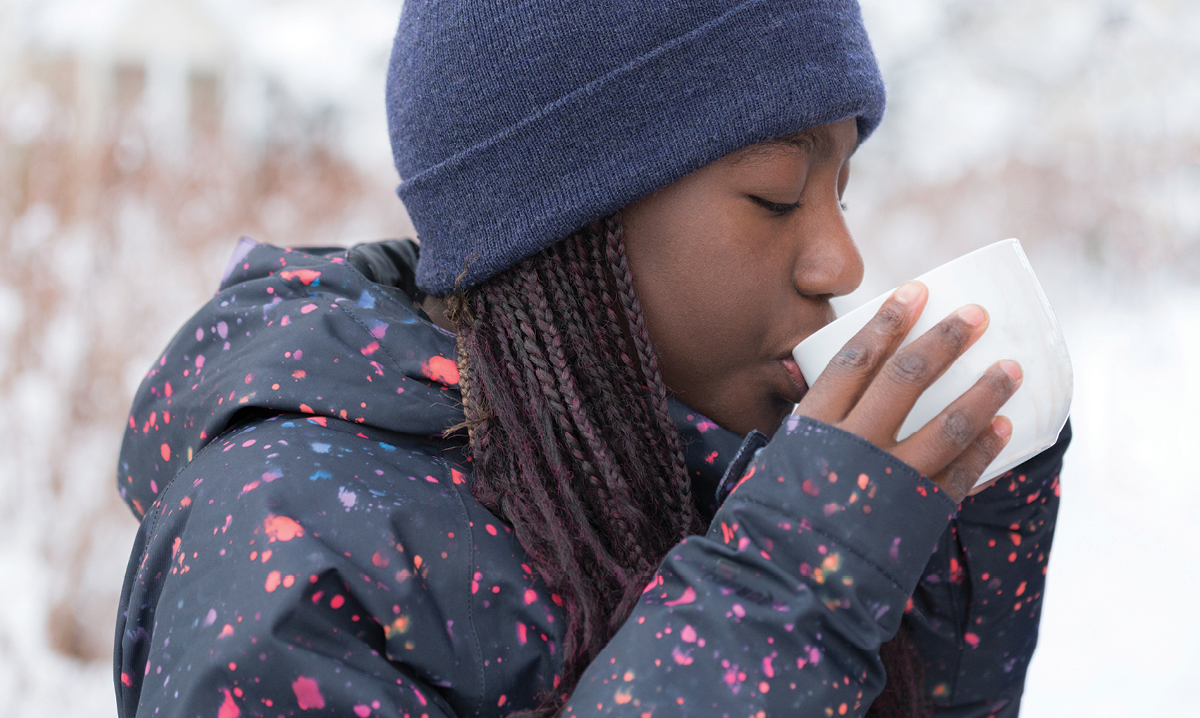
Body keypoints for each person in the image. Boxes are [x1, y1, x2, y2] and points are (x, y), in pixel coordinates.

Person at [112, 2, 1070, 717]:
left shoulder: (710, 470)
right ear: (568, 225)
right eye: (779, 195)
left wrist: (944, 548)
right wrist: (793, 585)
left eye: (842, 195)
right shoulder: (292, 541)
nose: (842, 263)